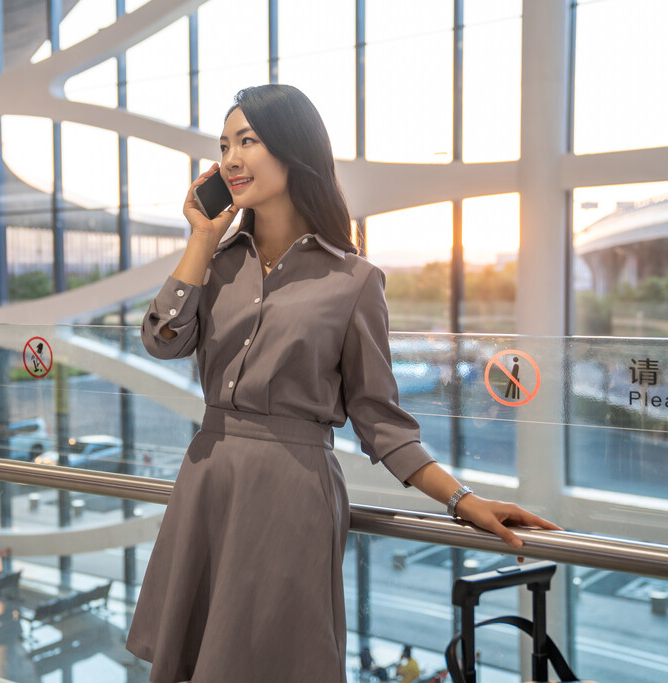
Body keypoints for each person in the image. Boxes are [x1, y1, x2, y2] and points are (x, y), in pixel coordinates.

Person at [124, 84, 560, 683]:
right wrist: (201, 238)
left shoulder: (353, 279)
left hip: (291, 495)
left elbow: (378, 418)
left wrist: (462, 500)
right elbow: (161, 339)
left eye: (248, 140)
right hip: (208, 478)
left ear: (294, 149)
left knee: (269, 658)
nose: (230, 159)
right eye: (224, 145)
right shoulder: (216, 263)